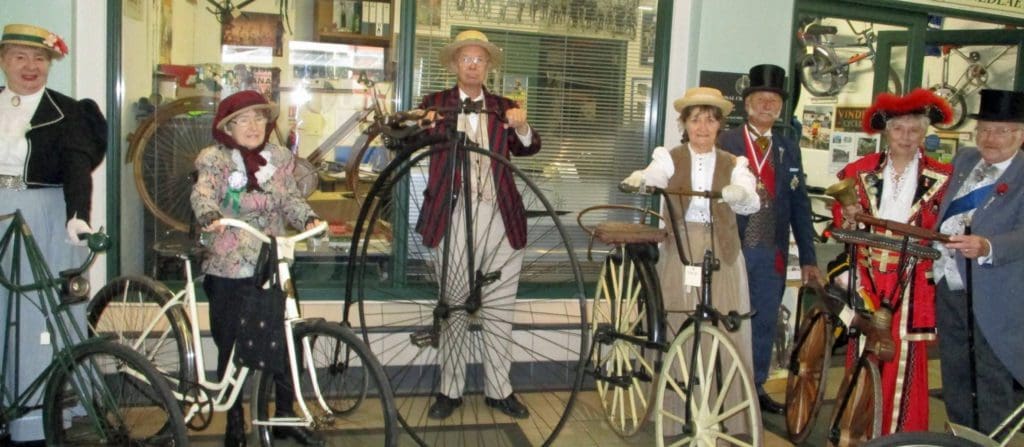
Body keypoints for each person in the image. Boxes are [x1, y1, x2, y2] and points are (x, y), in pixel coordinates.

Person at [413, 29, 540, 421]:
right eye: (465, 58)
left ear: (488, 66)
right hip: (451, 215)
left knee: (500, 307)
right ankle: (449, 391)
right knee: (451, 306)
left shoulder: (506, 106)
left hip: (501, 216)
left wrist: (520, 125)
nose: (472, 64)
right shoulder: (434, 103)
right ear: (454, 65)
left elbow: (529, 147)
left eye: (479, 59)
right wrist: (425, 123)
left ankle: (499, 390)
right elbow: (413, 142)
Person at [621, 86, 761, 436]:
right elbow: (654, 176)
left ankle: (726, 415)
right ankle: (675, 410)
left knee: (724, 324)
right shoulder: (671, 157)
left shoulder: (733, 163)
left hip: (723, 250)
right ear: (684, 124)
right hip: (681, 246)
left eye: (710, 121)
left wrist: (739, 193)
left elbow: (749, 197)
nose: (702, 128)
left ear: (719, 127)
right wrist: (642, 179)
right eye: (695, 120)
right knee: (678, 321)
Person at [191, 90, 323, 447]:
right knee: (232, 344)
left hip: (274, 260)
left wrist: (308, 218)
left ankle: (283, 416)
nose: (253, 126)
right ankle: (235, 421)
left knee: (284, 341)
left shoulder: (279, 158)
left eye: (259, 118)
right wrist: (210, 215)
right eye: (243, 119)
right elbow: (203, 194)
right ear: (228, 126)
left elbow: (291, 199)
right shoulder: (215, 159)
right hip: (230, 265)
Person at [0, 23, 106, 443]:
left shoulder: (66, 112)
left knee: (34, 313)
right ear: (5, 60)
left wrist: (77, 216)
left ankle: (35, 418)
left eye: (40, 58)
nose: (31, 66)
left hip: (40, 215)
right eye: (21, 57)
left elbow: (77, 169)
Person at [829, 88, 953, 434]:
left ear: (925, 133)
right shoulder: (862, 169)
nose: (906, 137)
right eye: (899, 129)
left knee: (903, 356)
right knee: (863, 346)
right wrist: (848, 214)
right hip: (868, 272)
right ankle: (859, 427)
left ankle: (899, 434)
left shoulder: (942, 176)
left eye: (915, 130)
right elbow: (838, 211)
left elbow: (946, 224)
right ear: (887, 132)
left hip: (911, 279)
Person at [719, 64, 822, 414]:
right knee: (728, 317)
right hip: (732, 248)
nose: (767, 105)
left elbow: (799, 206)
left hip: (770, 253)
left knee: (763, 321)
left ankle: (755, 385)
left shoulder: (788, 147)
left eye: (773, 100)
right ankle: (722, 384)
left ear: (780, 108)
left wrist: (809, 258)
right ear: (747, 104)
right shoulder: (726, 141)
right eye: (761, 99)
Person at [934, 88, 1024, 433]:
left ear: (1020, 134)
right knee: (955, 371)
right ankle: (959, 438)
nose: (992, 138)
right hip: (951, 284)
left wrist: (988, 245)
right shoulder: (965, 160)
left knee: (991, 375)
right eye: (985, 129)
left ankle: (993, 441)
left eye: (1002, 131)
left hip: (997, 291)